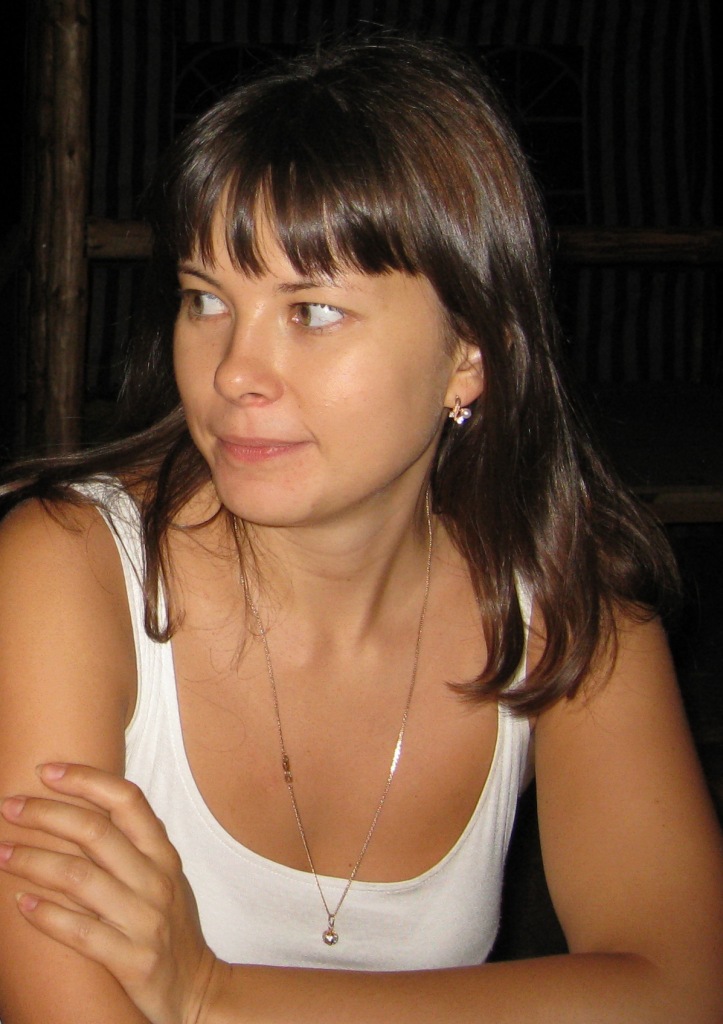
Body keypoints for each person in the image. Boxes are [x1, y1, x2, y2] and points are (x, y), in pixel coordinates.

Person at [0, 35, 721, 1024]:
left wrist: (215, 994)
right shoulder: (66, 571)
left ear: (470, 354)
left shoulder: (559, 604)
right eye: (206, 299)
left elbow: (685, 984)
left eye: (314, 311)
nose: (233, 371)